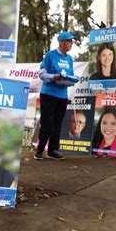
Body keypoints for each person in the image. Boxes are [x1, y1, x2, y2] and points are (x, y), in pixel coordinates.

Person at [34, 31, 75, 161]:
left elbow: (71, 76)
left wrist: (70, 81)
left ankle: (53, 150)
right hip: (48, 94)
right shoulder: (50, 55)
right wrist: (54, 77)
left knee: (58, 124)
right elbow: (41, 74)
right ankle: (39, 151)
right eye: (69, 41)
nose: (71, 43)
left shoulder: (69, 59)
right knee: (47, 124)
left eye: (71, 41)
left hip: (62, 96)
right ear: (61, 42)